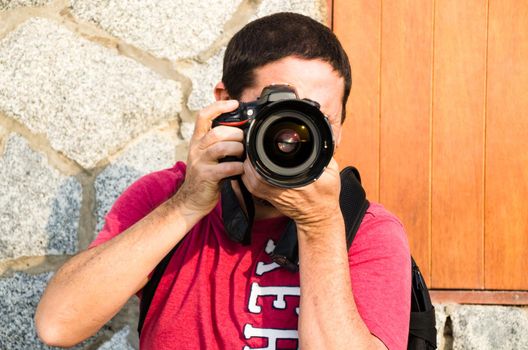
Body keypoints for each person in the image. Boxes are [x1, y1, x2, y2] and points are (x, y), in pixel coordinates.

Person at [35, 12, 411, 350]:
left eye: (318, 119)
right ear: (226, 103)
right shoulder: (166, 197)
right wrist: (187, 204)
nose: (294, 135)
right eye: (279, 112)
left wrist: (319, 226)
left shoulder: (366, 230)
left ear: (340, 125)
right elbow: (56, 326)